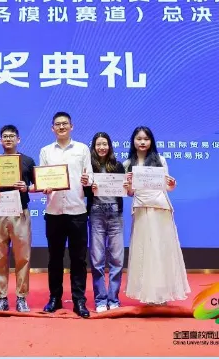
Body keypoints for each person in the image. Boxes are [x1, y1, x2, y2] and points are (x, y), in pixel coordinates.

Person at [123, 126, 191, 305]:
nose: (142, 142)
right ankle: (148, 294)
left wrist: (172, 184)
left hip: (160, 209)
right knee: (144, 251)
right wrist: (128, 185)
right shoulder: (127, 163)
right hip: (141, 209)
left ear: (151, 141)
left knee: (161, 250)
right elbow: (129, 193)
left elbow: (167, 186)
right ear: (133, 141)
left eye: (146, 139)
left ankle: (163, 293)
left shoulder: (160, 160)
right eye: (139, 139)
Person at [38, 112, 93, 318]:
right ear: (52, 128)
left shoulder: (82, 149)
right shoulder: (45, 151)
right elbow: (43, 178)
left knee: (79, 259)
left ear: (72, 126)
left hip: (77, 210)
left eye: (65, 124)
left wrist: (88, 180)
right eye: (58, 124)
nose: (61, 127)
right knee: (55, 258)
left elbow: (89, 175)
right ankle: (55, 298)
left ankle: (79, 300)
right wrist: (44, 186)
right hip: (54, 211)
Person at [0, 125, 36, 312]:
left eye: (12, 136)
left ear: (18, 139)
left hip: (20, 213)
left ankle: (21, 297)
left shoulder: (27, 161)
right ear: (0, 140)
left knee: (23, 257)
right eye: (5, 136)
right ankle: (1, 298)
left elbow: (37, 184)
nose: (8, 139)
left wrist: (26, 188)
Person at [84, 132, 127, 313]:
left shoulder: (117, 165)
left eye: (105, 144)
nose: (102, 147)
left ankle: (114, 298)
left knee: (117, 259)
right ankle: (101, 299)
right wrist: (89, 188)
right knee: (97, 259)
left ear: (109, 146)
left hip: (115, 213)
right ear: (93, 147)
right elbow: (83, 192)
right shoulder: (89, 167)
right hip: (96, 213)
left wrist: (126, 186)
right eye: (98, 144)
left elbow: (125, 190)